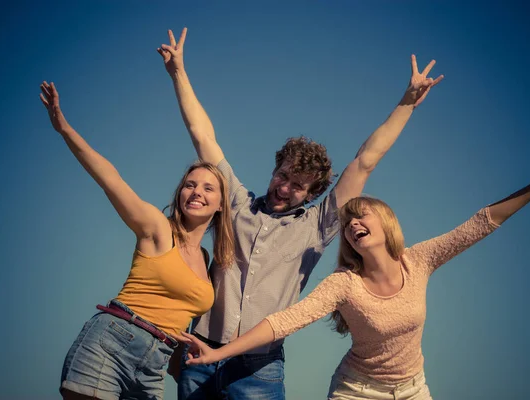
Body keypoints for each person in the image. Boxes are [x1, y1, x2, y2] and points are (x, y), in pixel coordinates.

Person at [157, 28, 443, 399]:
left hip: (260, 368)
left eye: (297, 185)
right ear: (275, 169)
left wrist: (407, 102)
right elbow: (202, 135)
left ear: (312, 194)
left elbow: (365, 161)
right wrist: (178, 72)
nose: (284, 187)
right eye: (283, 175)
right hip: (200, 352)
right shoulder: (237, 203)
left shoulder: (316, 225)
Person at [181, 134, 530, 399]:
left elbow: (478, 225)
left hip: (413, 388)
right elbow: (288, 320)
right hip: (356, 390)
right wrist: (217, 354)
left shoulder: (419, 260)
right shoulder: (344, 283)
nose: (353, 224)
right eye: (348, 224)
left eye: (362, 216)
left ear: (387, 223)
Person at [39, 81, 235, 399]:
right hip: (112, 343)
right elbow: (110, 179)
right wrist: (64, 128)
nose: (196, 191)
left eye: (208, 188)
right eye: (190, 184)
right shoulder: (157, 229)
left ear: (220, 205)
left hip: (152, 368)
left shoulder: (206, 259)